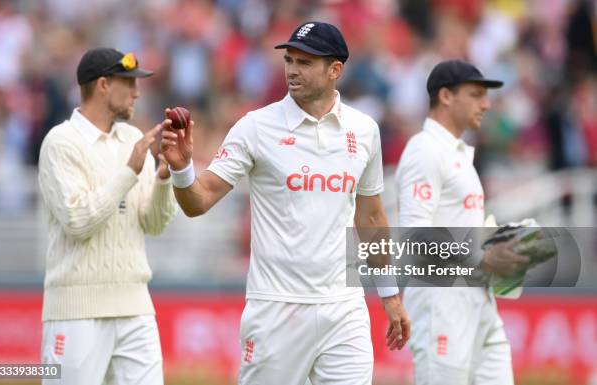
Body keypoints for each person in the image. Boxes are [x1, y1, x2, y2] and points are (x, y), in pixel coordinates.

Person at [160, 21, 410, 385]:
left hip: (345, 308)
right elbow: (199, 201)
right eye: (289, 60)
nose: (293, 70)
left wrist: (390, 295)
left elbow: (371, 216)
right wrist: (183, 169)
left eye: (305, 62)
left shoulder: (364, 130)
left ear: (335, 70)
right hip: (276, 308)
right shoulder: (256, 127)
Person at [38, 48, 177, 385]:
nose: (137, 92)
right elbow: (78, 221)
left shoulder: (132, 139)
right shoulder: (60, 143)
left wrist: (163, 176)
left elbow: (154, 224)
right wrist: (130, 170)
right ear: (103, 85)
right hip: (76, 312)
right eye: (128, 83)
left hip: (136, 307)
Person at [394, 60, 530, 385]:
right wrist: (482, 258)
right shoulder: (424, 151)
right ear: (446, 96)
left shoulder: (457, 153)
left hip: (478, 295)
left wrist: (501, 248)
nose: (486, 103)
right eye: (476, 94)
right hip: (441, 298)